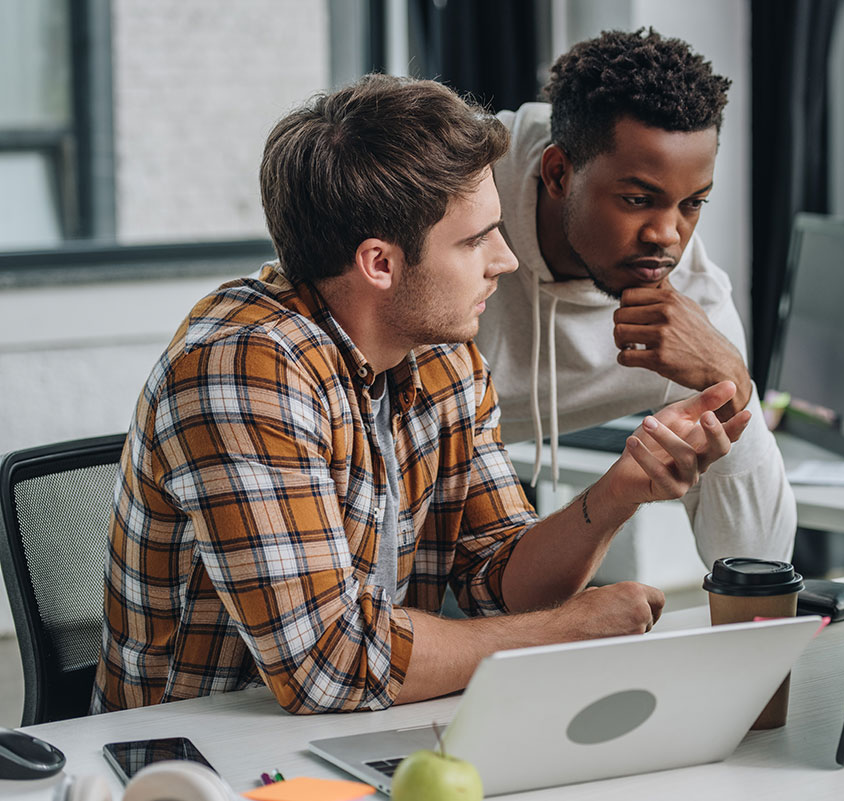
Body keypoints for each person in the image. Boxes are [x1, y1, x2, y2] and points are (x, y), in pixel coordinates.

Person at [92, 75, 750, 715]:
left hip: (371, 726)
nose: (505, 259)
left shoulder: (441, 354)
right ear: (380, 263)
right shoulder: (243, 369)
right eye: (475, 240)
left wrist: (621, 491)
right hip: (191, 754)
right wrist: (566, 629)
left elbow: (499, 584)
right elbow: (330, 667)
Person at [476, 29, 797, 567]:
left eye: (692, 203)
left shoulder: (691, 300)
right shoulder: (455, 197)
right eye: (637, 199)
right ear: (558, 173)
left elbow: (756, 563)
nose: (667, 236)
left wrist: (734, 384)